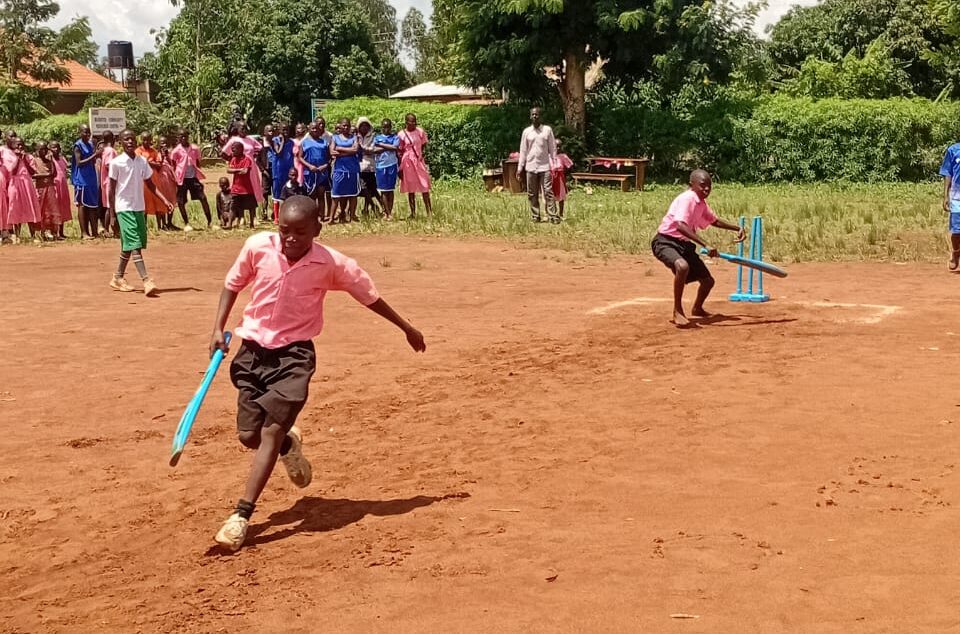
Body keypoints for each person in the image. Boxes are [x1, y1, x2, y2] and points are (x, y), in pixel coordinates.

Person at [208, 195, 426, 551]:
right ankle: (287, 445)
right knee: (249, 436)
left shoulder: (330, 263)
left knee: (271, 431)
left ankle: (241, 516)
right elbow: (232, 284)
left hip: (294, 358)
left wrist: (406, 327)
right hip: (252, 351)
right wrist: (217, 328)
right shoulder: (258, 247)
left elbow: (368, 296)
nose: (290, 238)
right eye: (284, 230)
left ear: (317, 230)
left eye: (300, 232)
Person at [651, 170, 746, 327]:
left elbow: (714, 221)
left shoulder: (701, 204)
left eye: (709, 186)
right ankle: (677, 311)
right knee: (682, 266)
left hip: (684, 245)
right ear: (691, 185)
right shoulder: (687, 199)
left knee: (708, 282)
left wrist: (737, 228)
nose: (707, 189)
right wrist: (706, 245)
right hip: (665, 241)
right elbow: (680, 226)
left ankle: (697, 308)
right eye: (702, 185)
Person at [108, 130, 173, 296]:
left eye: (131, 139)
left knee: (129, 245)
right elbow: (111, 190)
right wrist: (112, 214)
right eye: (126, 139)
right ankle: (146, 280)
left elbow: (150, 184)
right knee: (135, 245)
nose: (130, 141)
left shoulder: (142, 161)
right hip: (124, 208)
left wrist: (164, 200)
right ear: (121, 142)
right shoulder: (117, 163)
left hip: (138, 207)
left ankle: (118, 277)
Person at [517, 107, 559, 224]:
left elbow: (552, 148)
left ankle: (553, 216)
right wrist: (520, 168)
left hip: (544, 166)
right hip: (531, 167)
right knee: (532, 193)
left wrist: (554, 164)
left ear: (541, 116)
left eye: (537, 114)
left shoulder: (547, 130)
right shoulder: (526, 132)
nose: (535, 116)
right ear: (530, 116)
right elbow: (523, 151)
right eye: (533, 115)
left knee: (548, 191)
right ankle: (536, 215)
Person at [222, 122, 265, 222]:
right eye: (242, 128)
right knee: (240, 191)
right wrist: (232, 160)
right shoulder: (234, 140)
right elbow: (223, 152)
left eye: (246, 128)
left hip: (250, 168)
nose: (244, 130)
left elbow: (260, 148)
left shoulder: (251, 139)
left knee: (252, 191)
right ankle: (241, 218)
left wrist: (255, 156)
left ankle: (254, 217)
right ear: (237, 129)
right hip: (239, 169)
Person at [170, 129, 211, 231]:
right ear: (178, 138)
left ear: (188, 137)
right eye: (181, 136)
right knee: (181, 201)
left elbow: (198, 162)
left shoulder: (195, 148)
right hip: (182, 179)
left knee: (203, 198)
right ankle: (187, 223)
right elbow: (173, 164)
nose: (183, 138)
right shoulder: (176, 151)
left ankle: (209, 222)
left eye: (185, 136)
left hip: (193, 177)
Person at [4, 137, 41, 242]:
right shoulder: (10, 157)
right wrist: (17, 158)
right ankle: (17, 235)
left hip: (27, 185)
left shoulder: (28, 157)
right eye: (17, 144)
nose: (20, 147)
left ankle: (33, 235)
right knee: (16, 208)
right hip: (15, 185)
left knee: (30, 207)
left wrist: (24, 159)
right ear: (13, 146)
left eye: (21, 144)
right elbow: (13, 171)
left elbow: (32, 172)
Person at [398, 113, 432, 218]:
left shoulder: (420, 131)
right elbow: (400, 150)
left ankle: (429, 212)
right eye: (410, 121)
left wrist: (421, 154)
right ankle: (413, 213)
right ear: (406, 122)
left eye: (414, 121)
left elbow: (424, 144)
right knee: (411, 188)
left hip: (418, 160)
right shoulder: (401, 134)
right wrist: (400, 167)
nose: (413, 123)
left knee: (424, 185)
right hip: (407, 162)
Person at [137, 132, 173, 231]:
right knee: (143, 203)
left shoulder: (154, 151)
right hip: (142, 180)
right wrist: (150, 163)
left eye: (148, 139)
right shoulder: (138, 151)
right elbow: (138, 163)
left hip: (154, 178)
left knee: (157, 202)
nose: (146, 141)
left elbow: (159, 165)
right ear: (141, 140)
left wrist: (147, 162)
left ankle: (160, 226)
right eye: (144, 139)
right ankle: (143, 226)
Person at [72, 125, 101, 239]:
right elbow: (79, 163)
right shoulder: (78, 146)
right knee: (82, 205)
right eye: (85, 132)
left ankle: (94, 232)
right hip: (82, 180)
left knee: (92, 206)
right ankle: (84, 233)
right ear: (80, 132)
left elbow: (92, 160)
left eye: (89, 132)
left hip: (91, 179)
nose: (87, 135)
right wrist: (95, 154)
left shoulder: (90, 144)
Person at [297, 121, 331, 221]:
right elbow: (300, 157)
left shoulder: (324, 142)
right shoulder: (304, 142)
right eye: (313, 128)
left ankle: (322, 215)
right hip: (309, 172)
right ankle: (312, 217)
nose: (315, 130)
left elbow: (329, 158)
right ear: (309, 129)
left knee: (321, 194)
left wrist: (325, 165)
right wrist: (309, 166)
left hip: (322, 172)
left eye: (316, 128)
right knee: (311, 195)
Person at [330, 117, 361, 224]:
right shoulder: (334, 137)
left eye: (347, 125)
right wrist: (349, 151)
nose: (346, 127)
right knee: (337, 194)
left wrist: (340, 149)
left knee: (353, 195)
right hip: (339, 170)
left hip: (352, 170)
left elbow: (355, 149)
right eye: (344, 125)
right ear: (340, 126)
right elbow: (332, 152)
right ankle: (332, 217)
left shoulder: (354, 137)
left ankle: (352, 215)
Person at [373, 118, 400, 220]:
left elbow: (395, 148)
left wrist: (381, 145)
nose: (386, 129)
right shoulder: (377, 137)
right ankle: (386, 213)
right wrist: (388, 146)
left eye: (388, 127)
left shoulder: (395, 137)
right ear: (381, 127)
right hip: (380, 166)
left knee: (390, 190)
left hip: (392, 165)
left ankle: (390, 211)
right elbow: (375, 150)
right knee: (383, 191)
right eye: (384, 127)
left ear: (390, 127)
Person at [227, 141, 258, 229]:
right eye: (232, 149)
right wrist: (238, 169)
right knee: (233, 207)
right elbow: (228, 170)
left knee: (251, 207)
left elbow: (245, 171)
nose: (233, 151)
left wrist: (235, 169)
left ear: (241, 149)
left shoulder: (247, 159)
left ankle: (252, 224)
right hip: (236, 188)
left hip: (247, 188)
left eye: (234, 149)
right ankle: (229, 224)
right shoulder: (233, 159)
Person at [939, 141, 960, 270]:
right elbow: (948, 172)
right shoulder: (953, 150)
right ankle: (956, 251)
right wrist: (946, 195)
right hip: (957, 196)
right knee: (957, 231)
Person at [32, 141, 59, 241]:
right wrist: (44, 176)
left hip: (49, 187)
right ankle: (38, 232)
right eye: (41, 149)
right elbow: (32, 175)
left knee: (50, 210)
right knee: (40, 210)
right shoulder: (34, 160)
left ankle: (49, 231)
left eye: (45, 149)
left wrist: (52, 161)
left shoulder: (49, 161)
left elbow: (54, 174)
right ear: (37, 150)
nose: (43, 151)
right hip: (39, 188)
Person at [356, 117, 382, 216]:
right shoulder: (355, 136)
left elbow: (372, 149)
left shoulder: (373, 137)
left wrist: (361, 148)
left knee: (372, 189)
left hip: (370, 166)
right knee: (363, 187)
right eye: (362, 125)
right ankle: (373, 206)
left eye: (366, 125)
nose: (364, 127)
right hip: (359, 166)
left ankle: (368, 208)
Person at [270, 124, 295, 222]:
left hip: (288, 170)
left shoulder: (292, 142)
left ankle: (286, 215)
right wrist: (283, 141)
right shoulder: (275, 140)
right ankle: (276, 217)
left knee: (288, 192)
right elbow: (278, 152)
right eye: (283, 130)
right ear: (279, 130)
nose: (285, 132)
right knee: (277, 194)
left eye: (287, 130)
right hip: (278, 171)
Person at [50, 141, 71, 240]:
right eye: (53, 147)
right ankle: (54, 232)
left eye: (57, 147)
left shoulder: (62, 159)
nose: (55, 149)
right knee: (54, 209)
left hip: (63, 186)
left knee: (62, 208)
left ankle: (61, 232)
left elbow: (65, 171)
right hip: (54, 186)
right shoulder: (49, 160)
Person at [99, 131, 118, 236]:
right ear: (113, 139)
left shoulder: (104, 150)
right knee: (111, 206)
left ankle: (110, 229)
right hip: (110, 181)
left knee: (109, 206)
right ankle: (108, 229)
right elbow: (109, 165)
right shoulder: (110, 151)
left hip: (105, 181)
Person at [550, 140, 574, 219]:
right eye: (556, 146)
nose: (558, 148)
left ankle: (561, 213)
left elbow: (569, 166)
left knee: (561, 195)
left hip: (560, 177)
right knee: (551, 195)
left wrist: (564, 173)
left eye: (559, 146)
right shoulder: (548, 156)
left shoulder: (563, 156)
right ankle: (552, 213)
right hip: (551, 177)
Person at [258, 123, 275, 221]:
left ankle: (274, 213)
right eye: (269, 131)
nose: (271, 133)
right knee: (265, 193)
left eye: (272, 131)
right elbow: (258, 160)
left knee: (275, 193)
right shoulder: (261, 144)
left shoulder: (275, 143)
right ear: (264, 133)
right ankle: (264, 213)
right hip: (266, 171)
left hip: (275, 171)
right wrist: (263, 171)